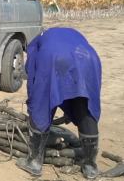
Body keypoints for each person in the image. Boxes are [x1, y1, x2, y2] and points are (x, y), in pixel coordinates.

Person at [16, 27, 101, 179]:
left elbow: (35, 84)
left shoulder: (34, 45)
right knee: (85, 103)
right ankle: (90, 166)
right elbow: (74, 91)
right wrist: (72, 112)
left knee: (41, 103)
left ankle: (34, 162)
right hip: (88, 56)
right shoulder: (69, 34)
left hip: (54, 57)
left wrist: (33, 105)